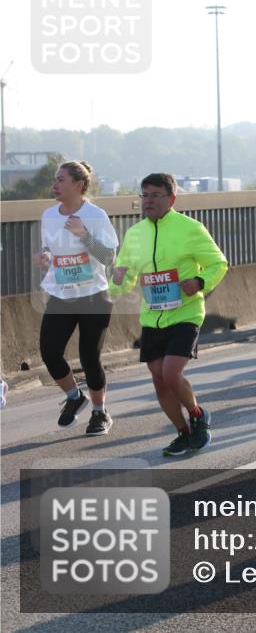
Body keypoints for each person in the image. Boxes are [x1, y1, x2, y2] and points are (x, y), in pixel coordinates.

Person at [111, 173, 228, 455]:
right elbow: (124, 281)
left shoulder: (190, 229)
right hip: (152, 316)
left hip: (185, 313)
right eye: (145, 195)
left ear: (171, 199)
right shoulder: (135, 234)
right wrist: (117, 279)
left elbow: (218, 263)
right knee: (158, 378)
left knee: (170, 372)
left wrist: (199, 282)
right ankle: (183, 432)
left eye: (155, 195)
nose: (148, 201)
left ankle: (197, 414)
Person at [35, 160, 118, 435]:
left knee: (89, 357)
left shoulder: (96, 215)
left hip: (93, 295)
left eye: (61, 180)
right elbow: (50, 247)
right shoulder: (49, 215)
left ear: (78, 185)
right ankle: (74, 397)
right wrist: (45, 257)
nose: (54, 185)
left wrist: (84, 234)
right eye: (55, 179)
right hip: (61, 294)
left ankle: (99, 412)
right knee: (49, 351)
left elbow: (108, 257)